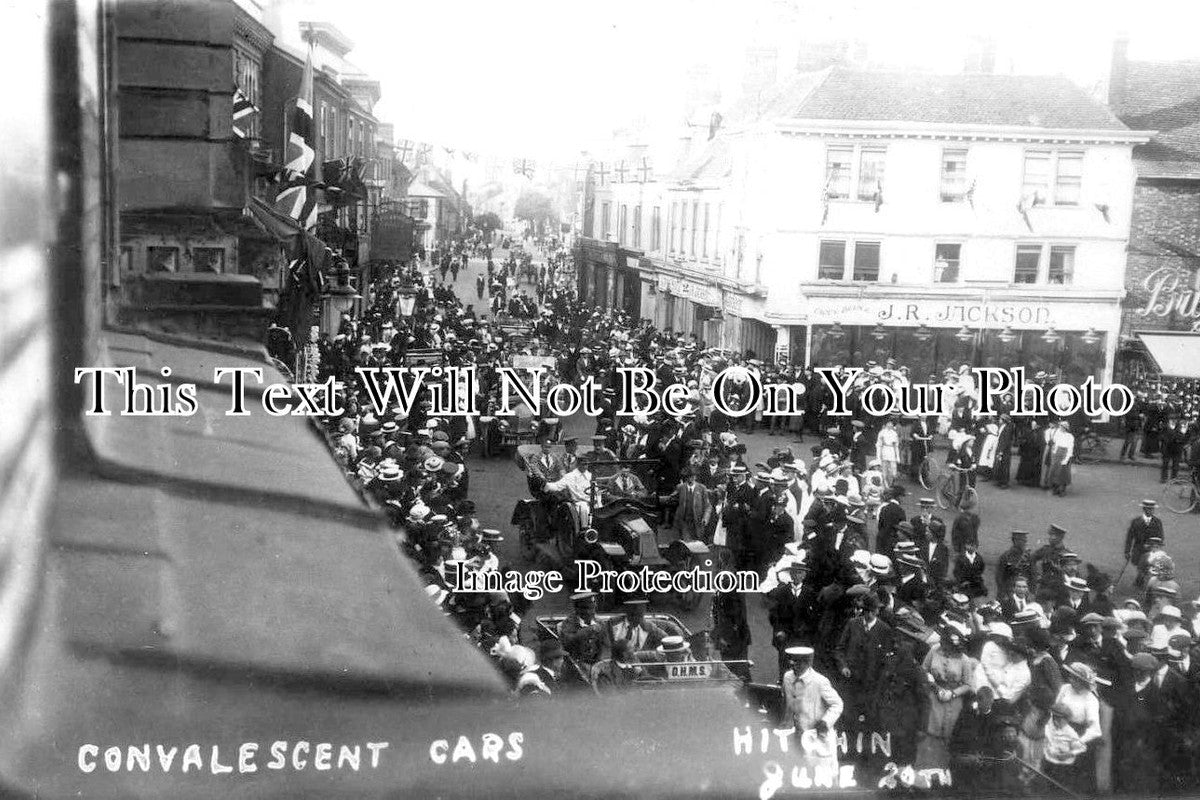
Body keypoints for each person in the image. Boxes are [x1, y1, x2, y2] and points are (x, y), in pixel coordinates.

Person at [917, 626, 976, 769]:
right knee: (929, 731)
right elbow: (923, 669)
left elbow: (968, 684)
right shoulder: (934, 650)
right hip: (933, 695)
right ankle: (924, 769)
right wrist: (931, 681)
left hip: (953, 699)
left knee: (948, 734)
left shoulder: (964, 660)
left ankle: (942, 771)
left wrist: (953, 693)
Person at [782, 646, 843, 774]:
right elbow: (788, 703)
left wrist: (826, 722)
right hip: (796, 735)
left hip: (817, 737)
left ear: (807, 663)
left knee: (821, 775)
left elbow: (837, 704)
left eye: (798, 661)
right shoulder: (788, 678)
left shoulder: (819, 681)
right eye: (792, 660)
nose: (793, 664)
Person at [1126, 499, 1165, 590]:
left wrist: (1153, 545)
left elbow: (1160, 537)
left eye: (1152, 509)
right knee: (1140, 566)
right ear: (1144, 509)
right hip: (1138, 549)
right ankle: (1140, 581)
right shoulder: (1136, 522)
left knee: (1147, 566)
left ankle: (1141, 582)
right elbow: (1130, 537)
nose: (1150, 511)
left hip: (1151, 550)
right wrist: (1127, 551)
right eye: (1148, 509)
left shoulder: (1157, 522)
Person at [1046, 421, 1075, 496]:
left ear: (1066, 428)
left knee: (1063, 472)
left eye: (1062, 427)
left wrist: (1066, 458)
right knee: (1054, 471)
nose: (1060, 428)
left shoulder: (1069, 436)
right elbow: (1055, 444)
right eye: (1060, 427)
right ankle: (1055, 488)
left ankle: (1062, 490)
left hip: (1065, 453)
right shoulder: (1057, 435)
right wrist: (1054, 452)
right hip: (1056, 454)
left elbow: (1070, 447)